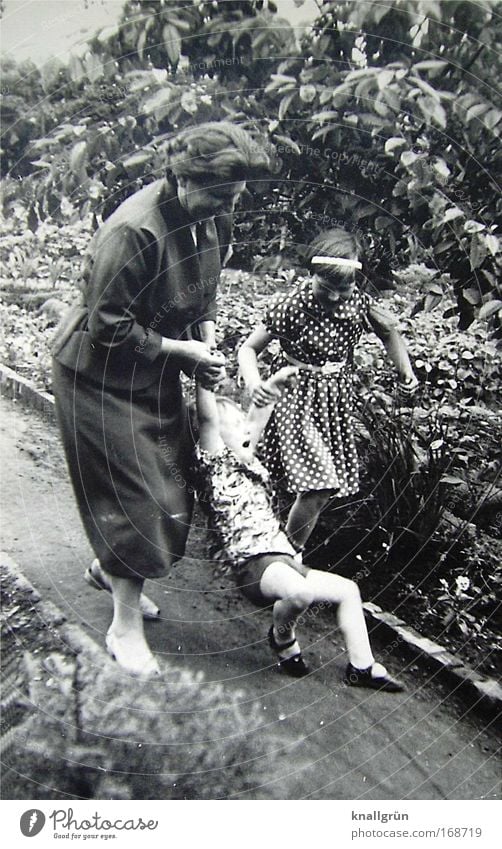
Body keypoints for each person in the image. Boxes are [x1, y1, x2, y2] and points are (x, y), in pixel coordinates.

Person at [51, 122, 271, 678]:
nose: (229, 205)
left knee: (171, 484)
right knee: (138, 496)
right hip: (99, 374)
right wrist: (183, 350)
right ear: (182, 176)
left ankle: (111, 571)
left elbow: (204, 291)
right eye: (221, 194)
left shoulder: (211, 216)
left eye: (236, 196)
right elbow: (107, 326)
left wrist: (208, 336)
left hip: (153, 367)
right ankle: (123, 627)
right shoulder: (134, 230)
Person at [194, 371, 404, 690]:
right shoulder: (215, 468)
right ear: (216, 439)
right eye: (235, 427)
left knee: (348, 591)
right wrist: (202, 374)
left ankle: (362, 666)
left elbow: (257, 418)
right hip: (253, 567)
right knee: (300, 592)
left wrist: (278, 379)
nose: (245, 429)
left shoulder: (248, 463)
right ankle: (283, 636)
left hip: (284, 562)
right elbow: (209, 419)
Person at [238, 227, 418, 555]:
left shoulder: (360, 305)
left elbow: (389, 332)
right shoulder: (292, 304)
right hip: (294, 395)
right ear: (312, 274)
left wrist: (405, 370)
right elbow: (248, 349)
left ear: (355, 282)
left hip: (333, 401)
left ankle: (270, 544)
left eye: (344, 288)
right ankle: (288, 556)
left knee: (308, 485)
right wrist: (254, 383)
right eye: (326, 286)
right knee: (319, 486)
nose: (335, 297)